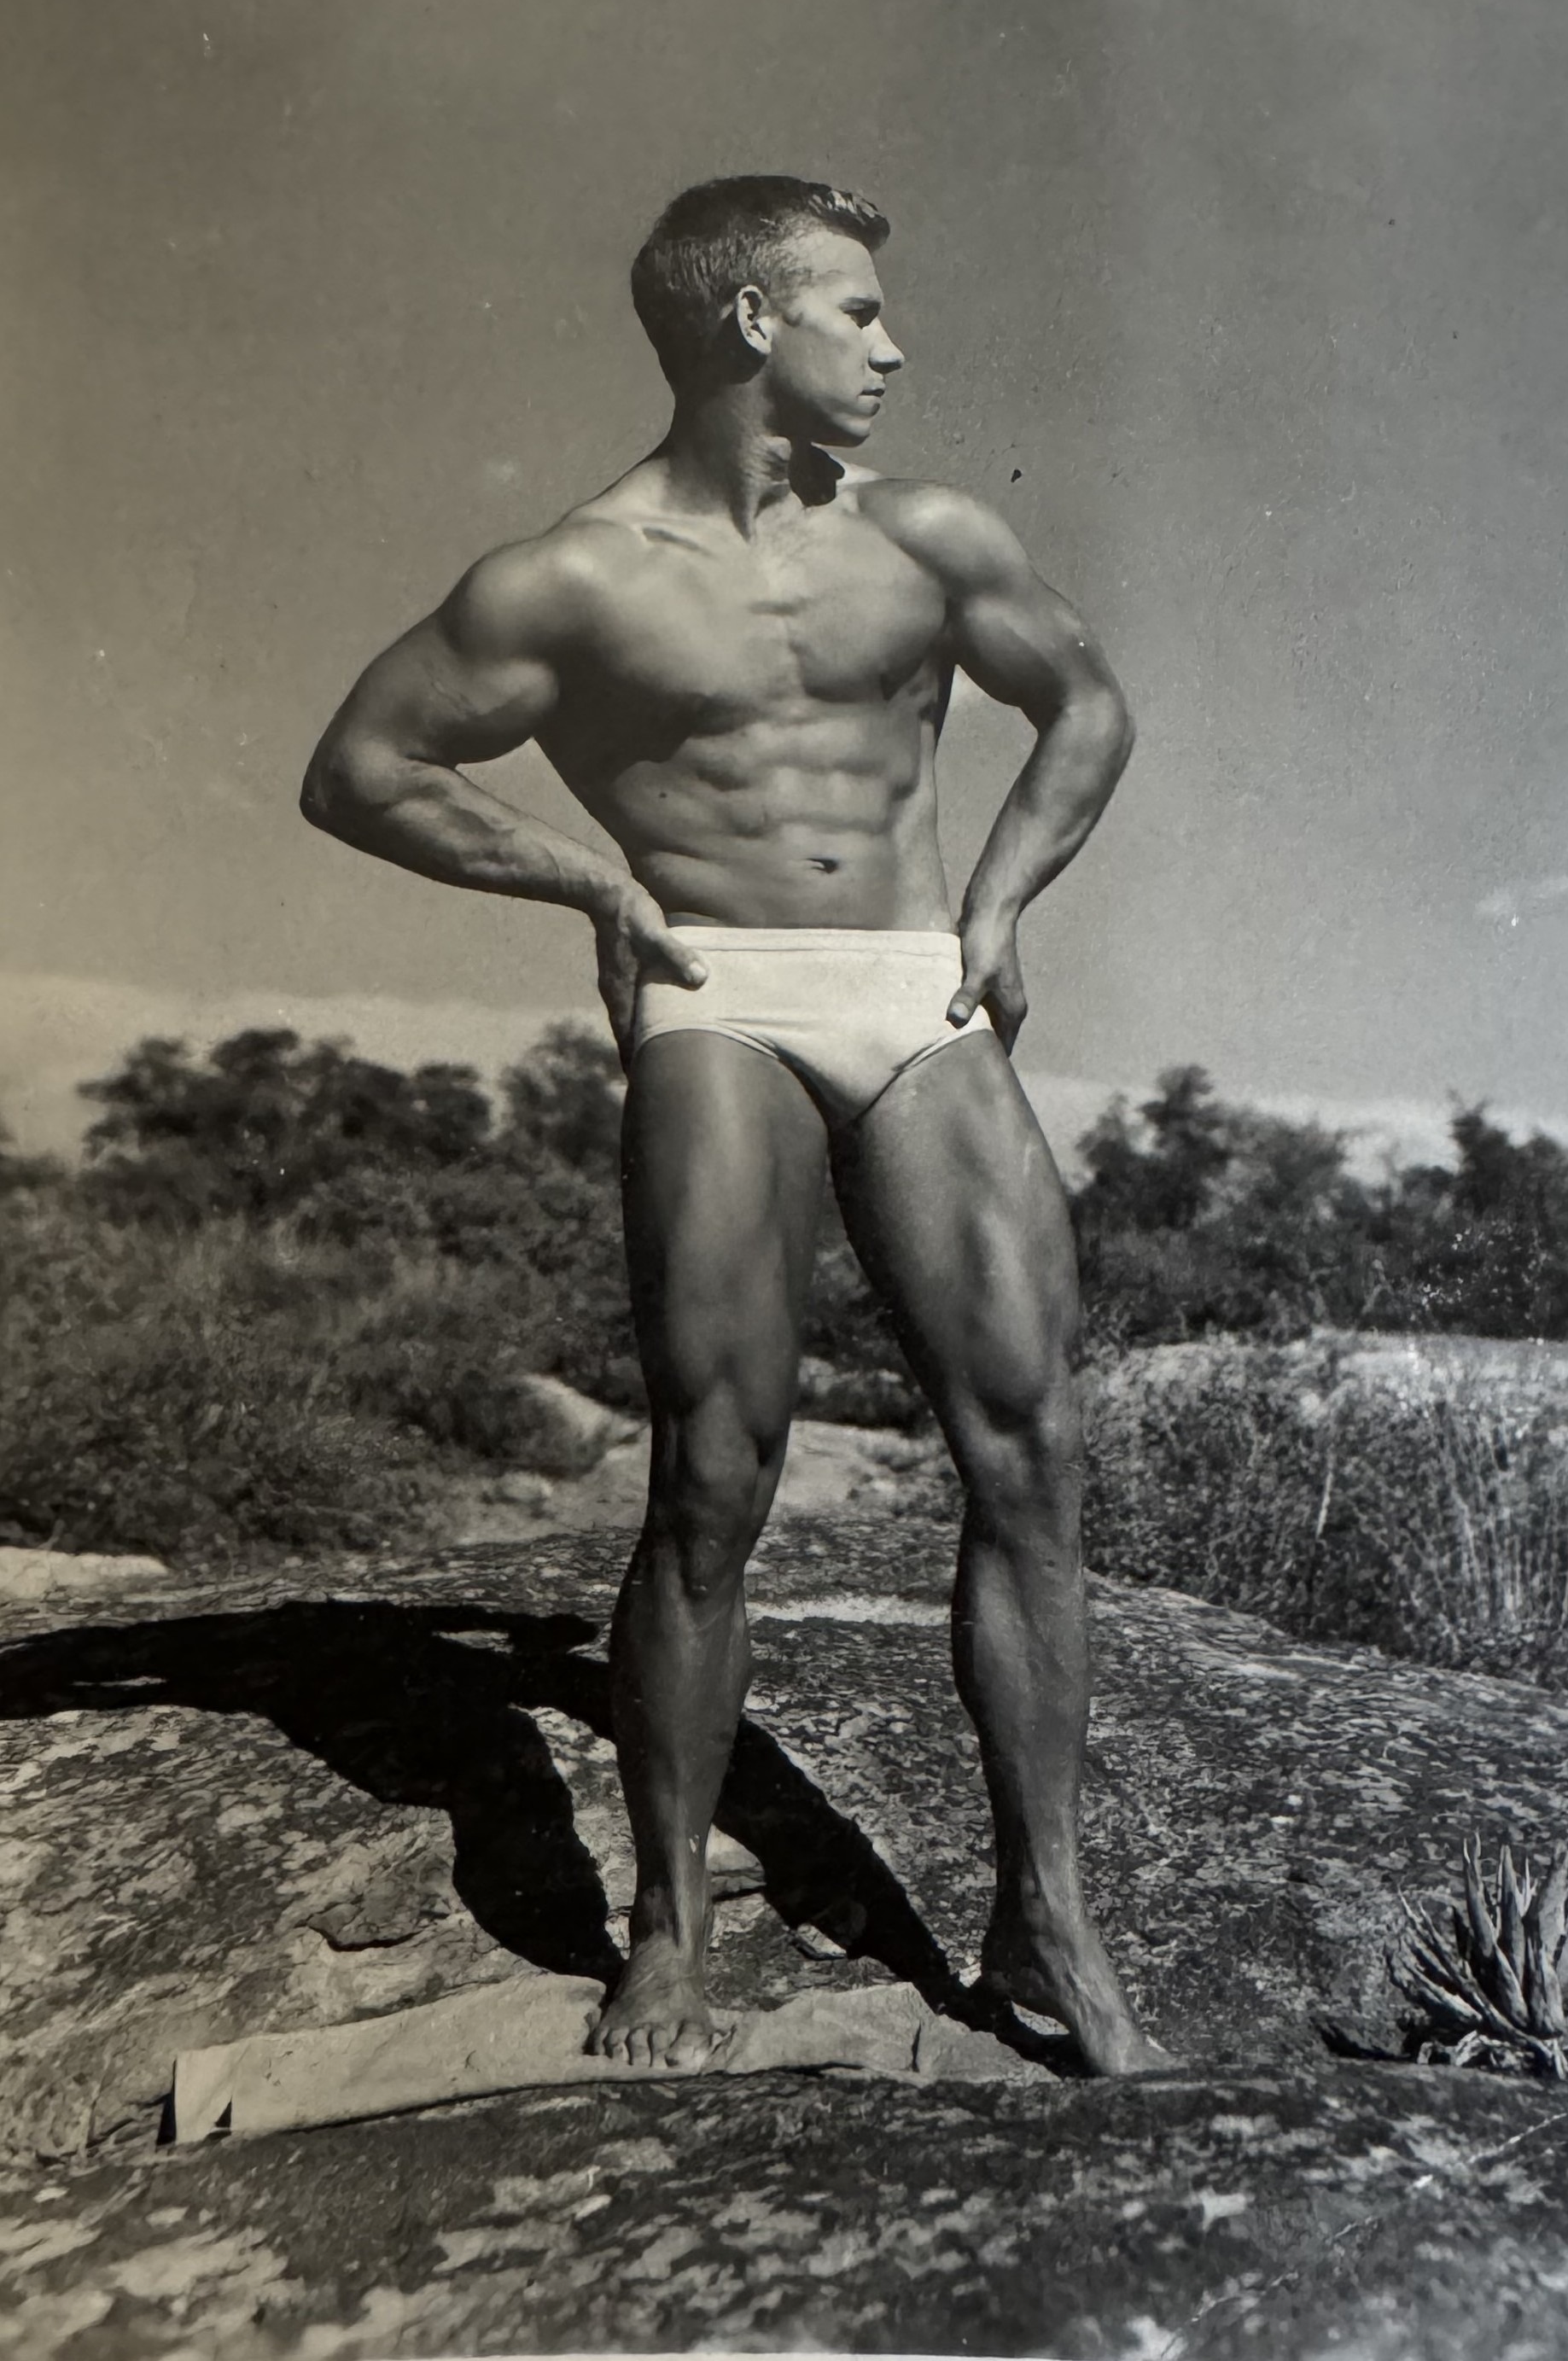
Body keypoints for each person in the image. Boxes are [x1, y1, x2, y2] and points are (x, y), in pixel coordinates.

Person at [301, 174, 1167, 2076]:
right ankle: (671, 1935)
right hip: (723, 999)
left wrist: (1005, 899)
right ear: (749, 321)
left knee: (1030, 1449)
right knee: (713, 1472)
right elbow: (360, 770)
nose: (894, 344)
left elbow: (1083, 704)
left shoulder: (929, 538)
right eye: (855, 311)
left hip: (915, 998)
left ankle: (1052, 1938)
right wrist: (593, 894)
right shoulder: (572, 579)